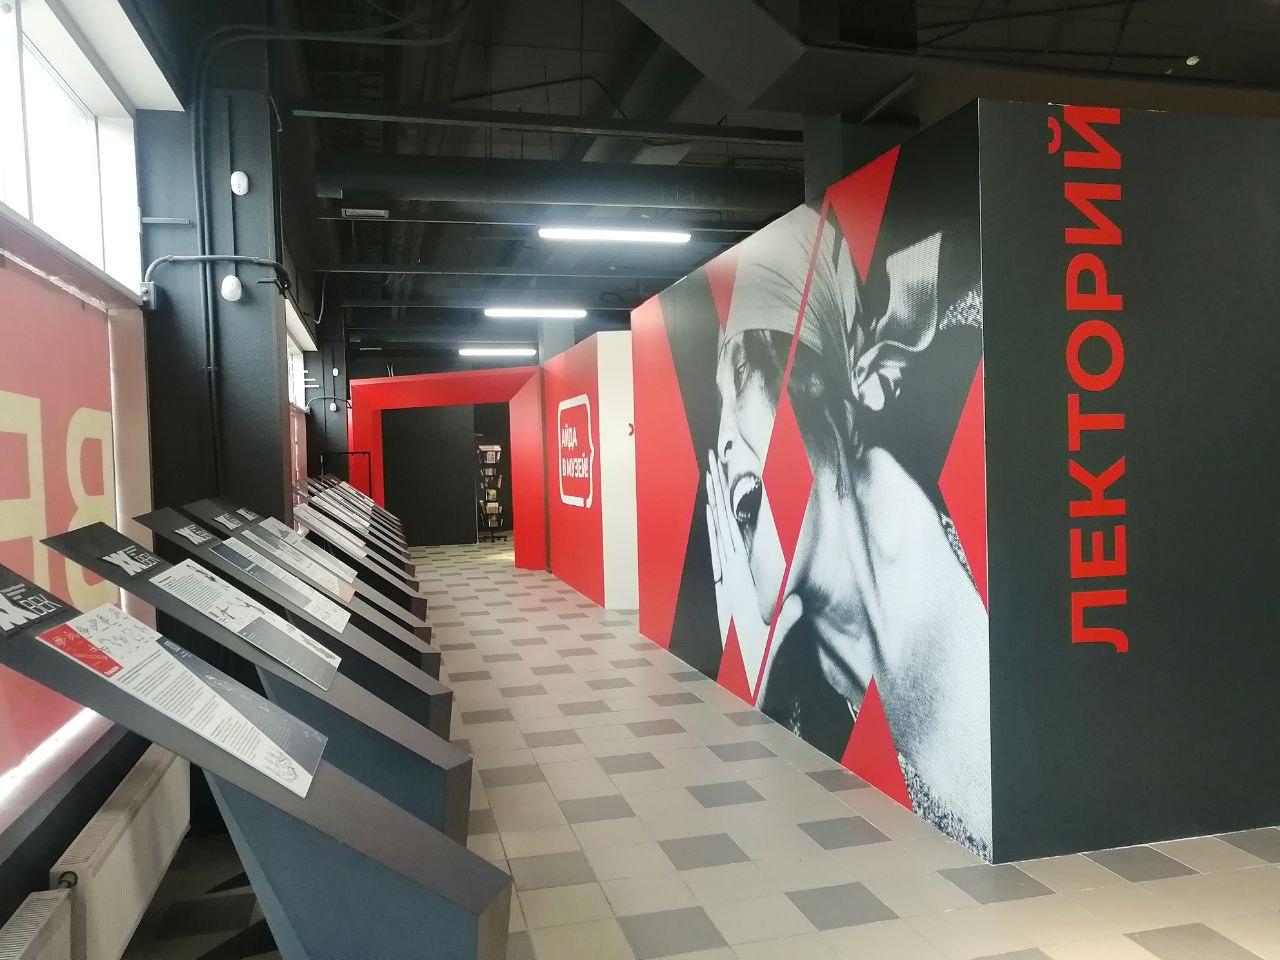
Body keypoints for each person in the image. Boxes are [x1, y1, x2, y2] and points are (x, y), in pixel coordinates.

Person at [704, 203, 992, 855]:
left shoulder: (985, 471)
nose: (722, 449)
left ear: (813, 382)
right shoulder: (805, 720)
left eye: (740, 378)